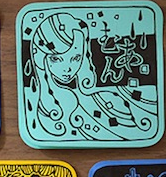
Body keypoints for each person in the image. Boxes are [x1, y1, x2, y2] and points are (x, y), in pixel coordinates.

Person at [29, 11, 159, 142]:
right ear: (41, 57)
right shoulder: (41, 105)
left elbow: (131, 133)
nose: (67, 68)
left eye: (76, 58)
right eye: (56, 59)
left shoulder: (107, 99)